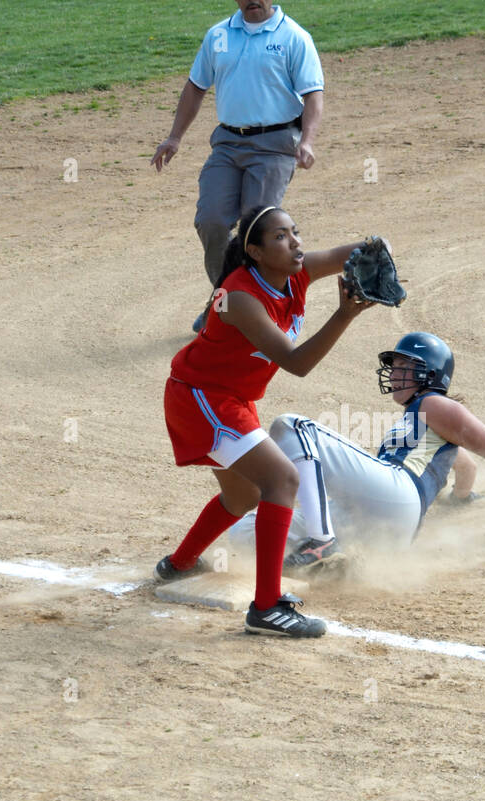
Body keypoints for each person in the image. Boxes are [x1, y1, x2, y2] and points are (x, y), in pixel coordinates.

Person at [156, 205, 381, 638]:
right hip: (200, 397)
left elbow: (346, 252)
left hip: (230, 398)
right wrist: (344, 315)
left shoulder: (296, 269)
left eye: (295, 232)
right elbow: (297, 363)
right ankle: (266, 608)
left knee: (244, 497)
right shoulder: (240, 297)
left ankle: (178, 564)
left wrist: (377, 250)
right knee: (282, 480)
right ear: (255, 252)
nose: (295, 242)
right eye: (280, 237)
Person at [227, 332, 485, 569]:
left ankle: (321, 544)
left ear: (432, 374)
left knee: (294, 427)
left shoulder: (434, 403)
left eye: (405, 366)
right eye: (395, 366)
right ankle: (331, 566)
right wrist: (459, 498)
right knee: (246, 530)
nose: (395, 373)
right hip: (380, 524)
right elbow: (465, 467)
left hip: (398, 496)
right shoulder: (424, 423)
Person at [150, 1, 325, 333]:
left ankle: (258, 309)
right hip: (228, 144)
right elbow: (195, 87)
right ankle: (224, 303)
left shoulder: (294, 37)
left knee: (255, 231)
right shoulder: (218, 36)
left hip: (274, 145)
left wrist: (307, 142)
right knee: (211, 221)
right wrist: (174, 137)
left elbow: (313, 95)